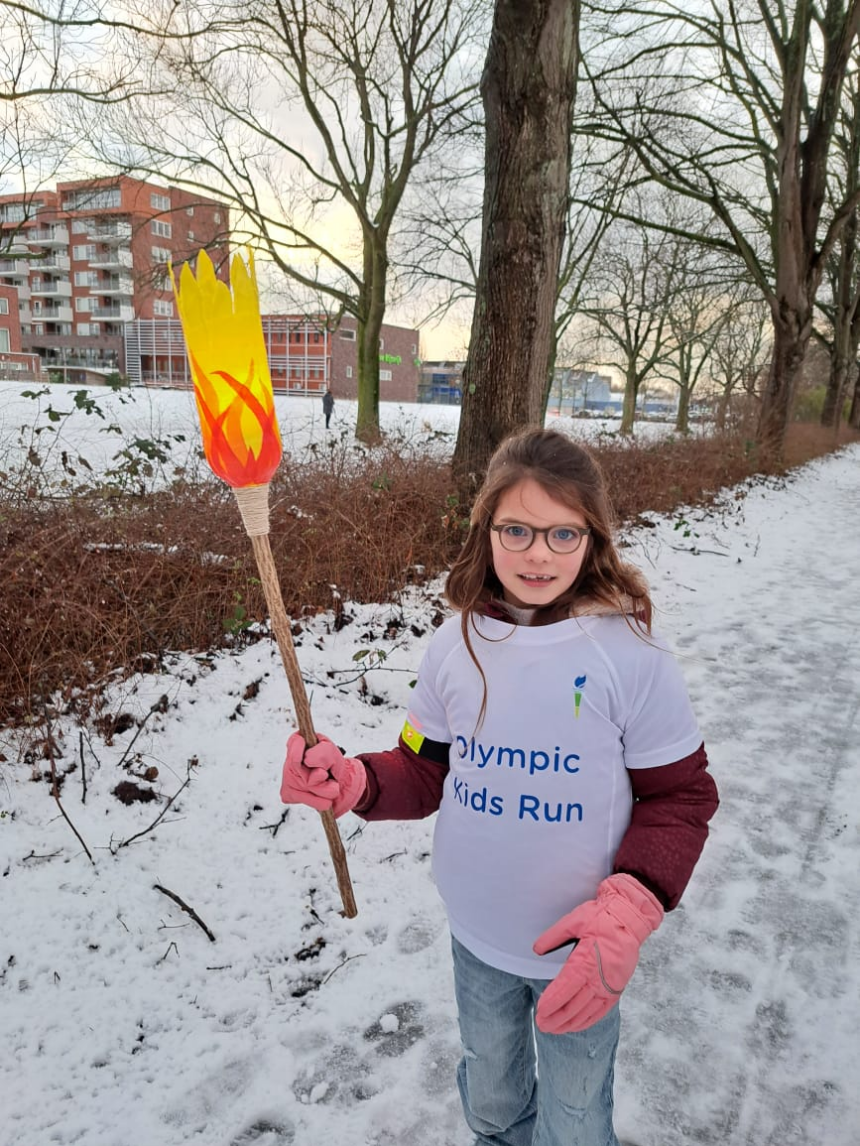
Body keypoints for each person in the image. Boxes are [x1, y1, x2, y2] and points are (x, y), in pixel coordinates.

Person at [280, 427, 718, 1146]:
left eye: (561, 534)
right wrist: (355, 780)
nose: (537, 553)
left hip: (584, 950)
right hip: (477, 937)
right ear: (485, 530)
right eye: (516, 529)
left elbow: (682, 796)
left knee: (574, 1126)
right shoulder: (455, 646)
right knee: (491, 1105)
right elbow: (424, 765)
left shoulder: (627, 653)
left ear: (593, 538)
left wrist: (631, 907)